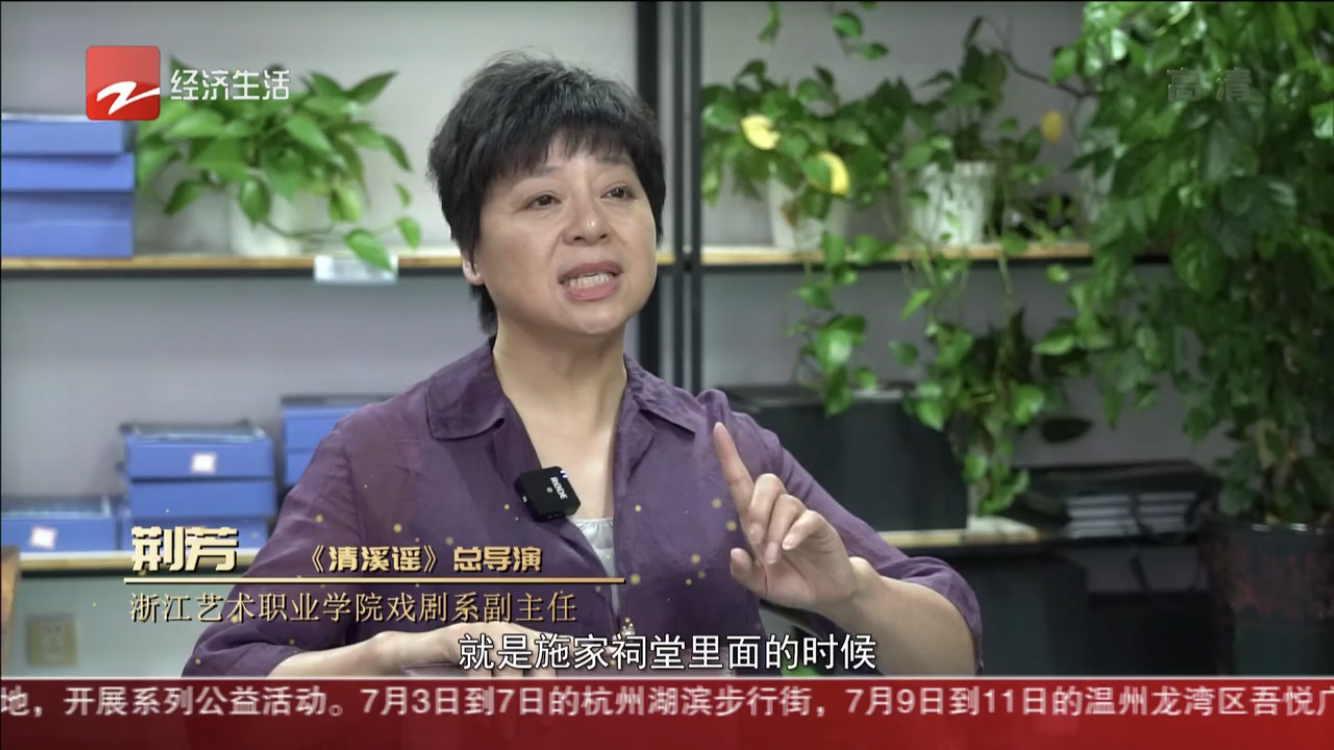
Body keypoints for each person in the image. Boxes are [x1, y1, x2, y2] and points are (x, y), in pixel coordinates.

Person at [183, 53, 982, 678]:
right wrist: (390, 659)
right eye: (543, 200)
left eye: (619, 193)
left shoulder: (723, 449)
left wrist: (855, 596)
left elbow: (954, 661)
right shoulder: (378, 457)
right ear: (471, 255)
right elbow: (222, 685)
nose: (591, 225)